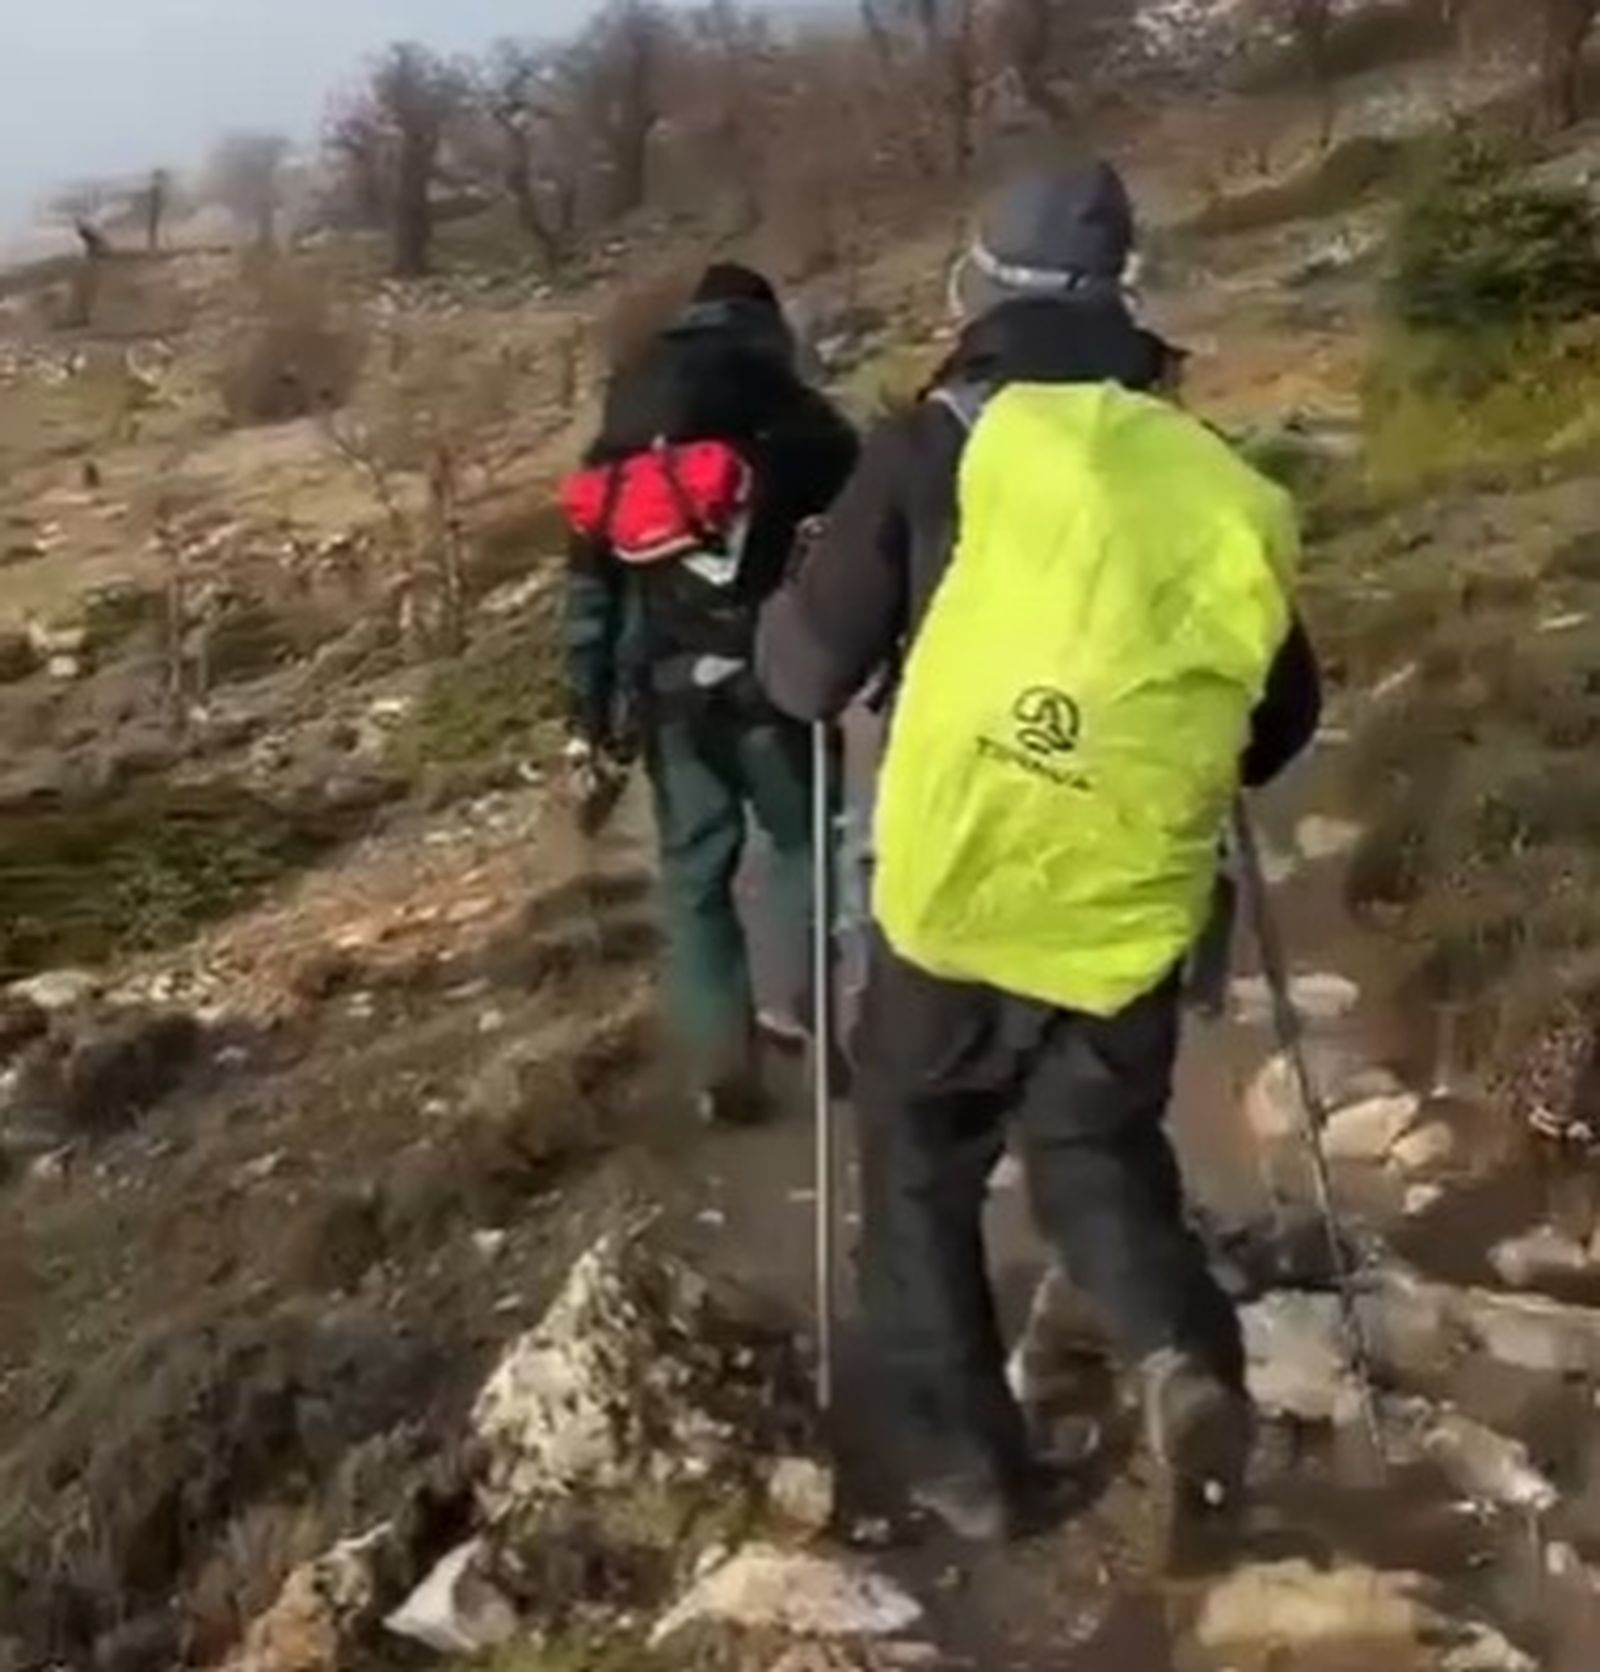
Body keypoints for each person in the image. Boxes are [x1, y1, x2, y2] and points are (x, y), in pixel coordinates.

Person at [756, 163, 1322, 1542]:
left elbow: (805, 676)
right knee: (1097, 1149)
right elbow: (1279, 714)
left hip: (957, 884)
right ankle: (1186, 1366)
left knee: (918, 1166)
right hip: (1125, 897)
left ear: (977, 284)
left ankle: (971, 1475)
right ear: (1128, 288)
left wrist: (795, 613)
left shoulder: (926, 443)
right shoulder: (1195, 471)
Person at [560, 262, 858, 1125]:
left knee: (695, 877)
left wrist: (588, 712)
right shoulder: (791, 412)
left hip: (667, 692)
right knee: (807, 841)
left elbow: (591, 592)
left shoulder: (623, 425)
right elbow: (866, 528)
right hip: (774, 681)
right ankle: (807, 1005)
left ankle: (721, 1064)